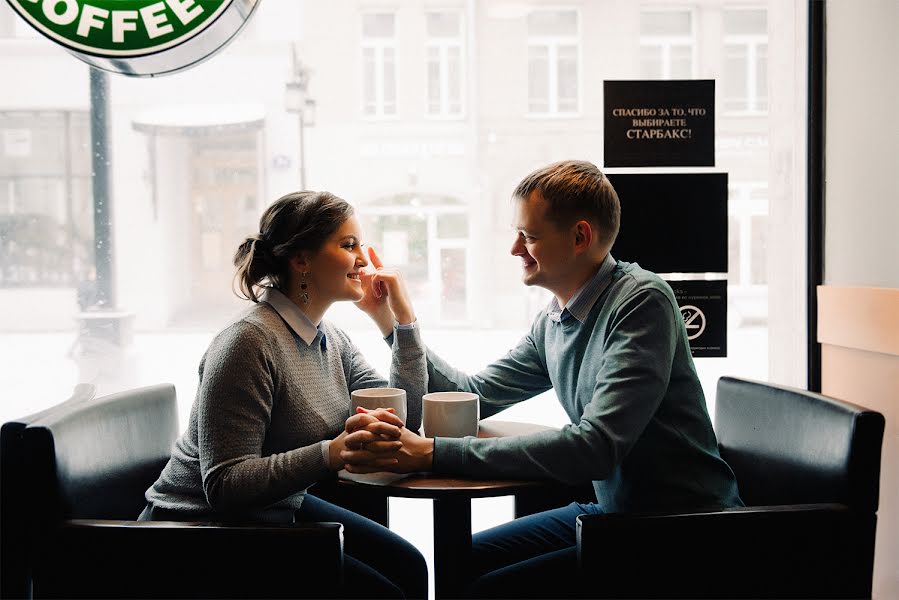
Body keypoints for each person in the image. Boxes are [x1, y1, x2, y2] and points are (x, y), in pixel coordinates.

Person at [342, 160, 743, 597]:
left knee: (481, 589)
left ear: (580, 237)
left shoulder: (642, 303)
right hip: (613, 514)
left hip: (681, 530)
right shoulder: (554, 319)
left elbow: (596, 447)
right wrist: (393, 319)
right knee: (459, 562)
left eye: (529, 236)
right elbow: (470, 396)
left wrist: (431, 454)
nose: (515, 249)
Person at [139, 191, 428, 599]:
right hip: (197, 534)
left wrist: (403, 321)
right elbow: (224, 486)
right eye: (348, 245)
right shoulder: (248, 343)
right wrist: (331, 453)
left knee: (409, 565)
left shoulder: (330, 338)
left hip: (273, 513)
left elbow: (406, 415)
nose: (363, 259)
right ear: (301, 260)